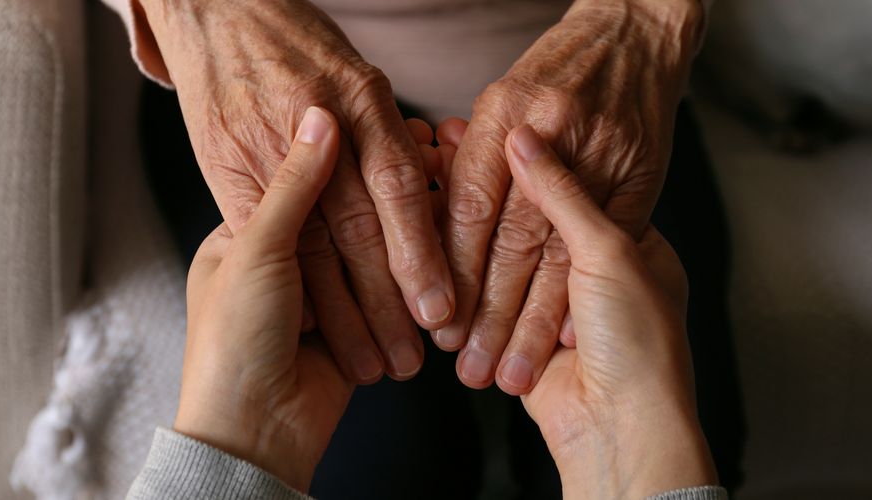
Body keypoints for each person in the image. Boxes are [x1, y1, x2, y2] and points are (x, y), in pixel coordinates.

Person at [126, 106, 727, 499]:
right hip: (271, 108)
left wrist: (645, 23)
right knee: (382, 472)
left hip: (595, 112)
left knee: (705, 432)